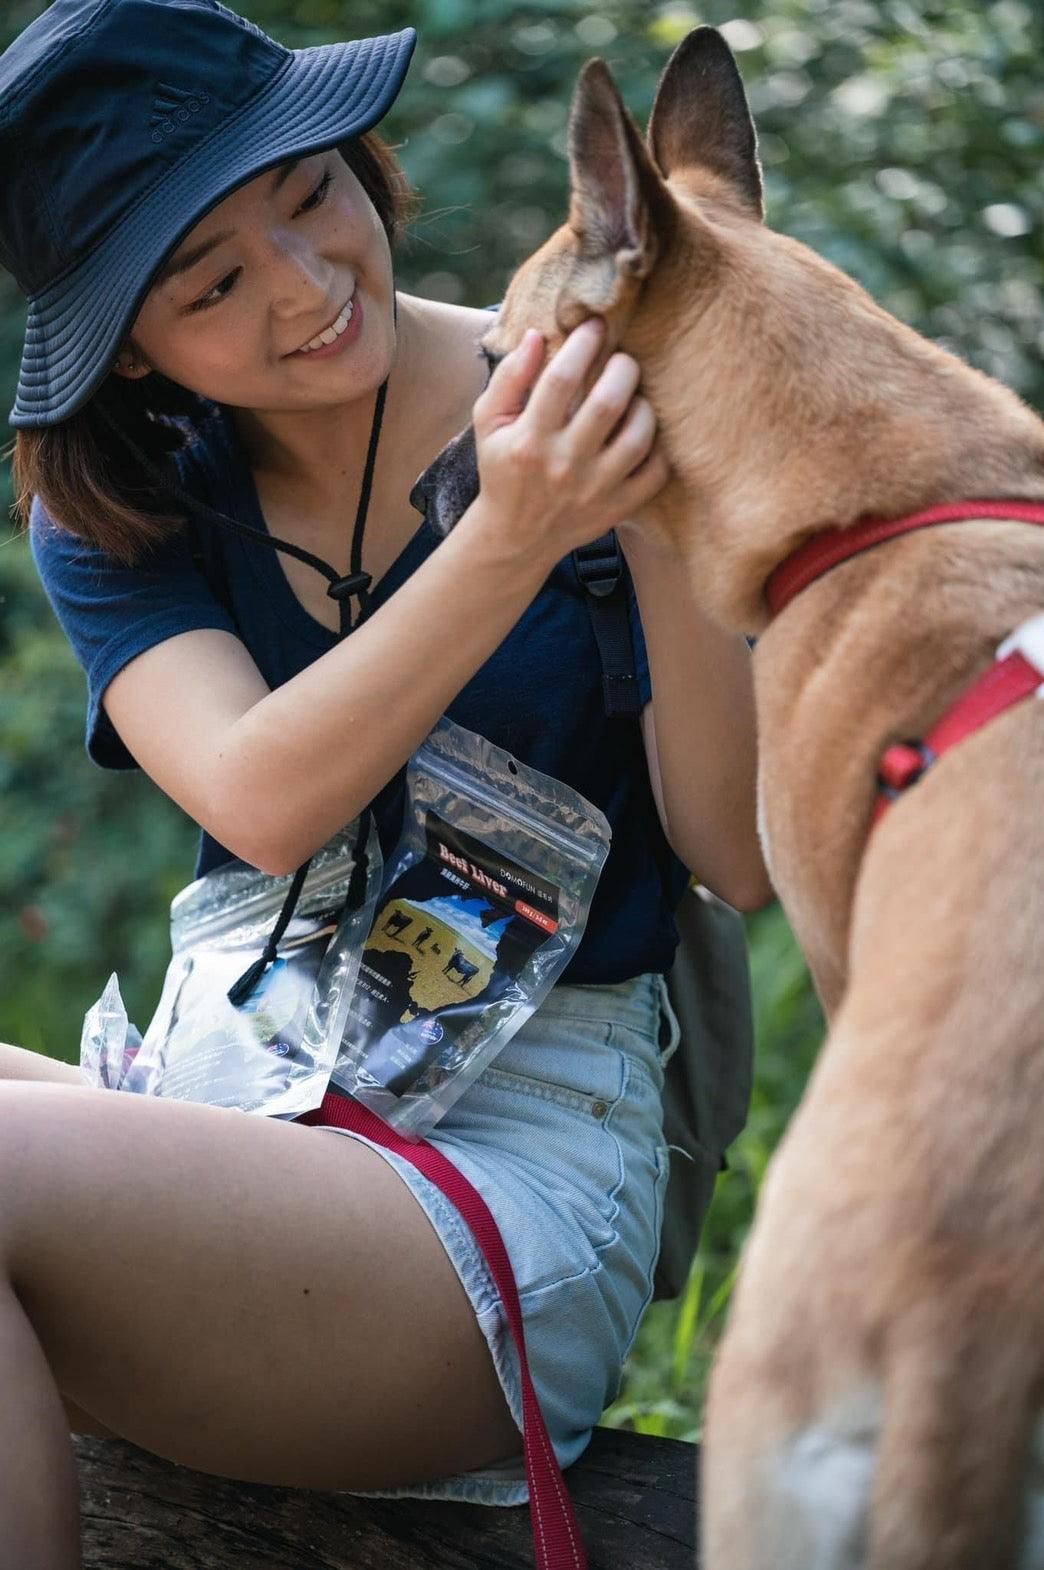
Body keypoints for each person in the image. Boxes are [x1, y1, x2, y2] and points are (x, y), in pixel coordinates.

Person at [0, 0, 769, 1562]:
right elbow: (255, 794)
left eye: (311, 196)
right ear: (127, 346)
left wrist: (648, 502)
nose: (305, 289)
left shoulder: (586, 386)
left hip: (504, 1178)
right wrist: (510, 530)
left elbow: (735, 855)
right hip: (232, 1106)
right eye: (213, 283)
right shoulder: (123, 512)